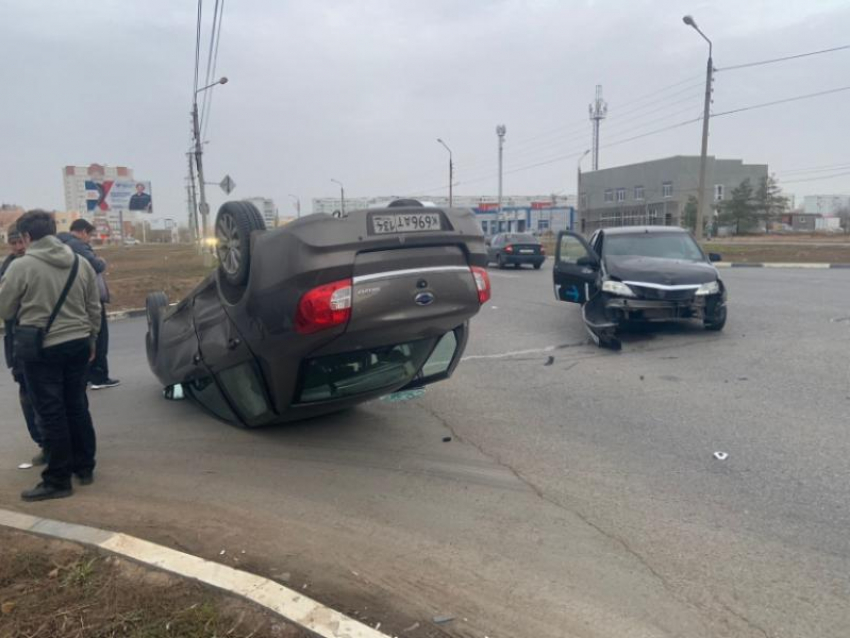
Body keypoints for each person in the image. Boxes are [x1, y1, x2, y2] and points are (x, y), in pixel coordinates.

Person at [0, 210, 101, 502]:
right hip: (79, 343)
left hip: (42, 349)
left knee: (51, 412)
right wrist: (92, 337)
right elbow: (93, 306)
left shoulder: (22, 266)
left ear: (27, 237)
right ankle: (85, 467)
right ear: (54, 231)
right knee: (77, 405)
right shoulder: (79, 263)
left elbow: (4, 309)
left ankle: (58, 479)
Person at [1, 224, 45, 464]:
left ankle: (53, 444)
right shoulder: (7, 267)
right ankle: (41, 441)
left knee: (44, 395)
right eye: (13, 242)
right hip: (17, 342)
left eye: (21, 242)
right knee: (27, 395)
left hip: (38, 338)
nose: (18, 247)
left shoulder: (35, 265)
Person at [59, 219, 120, 389]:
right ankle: (99, 377)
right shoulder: (77, 245)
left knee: (82, 338)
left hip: (74, 298)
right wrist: (101, 260)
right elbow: (96, 265)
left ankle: (85, 376)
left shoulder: (62, 243)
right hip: (89, 298)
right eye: (90, 235)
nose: (90, 239)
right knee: (99, 337)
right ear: (83, 232)